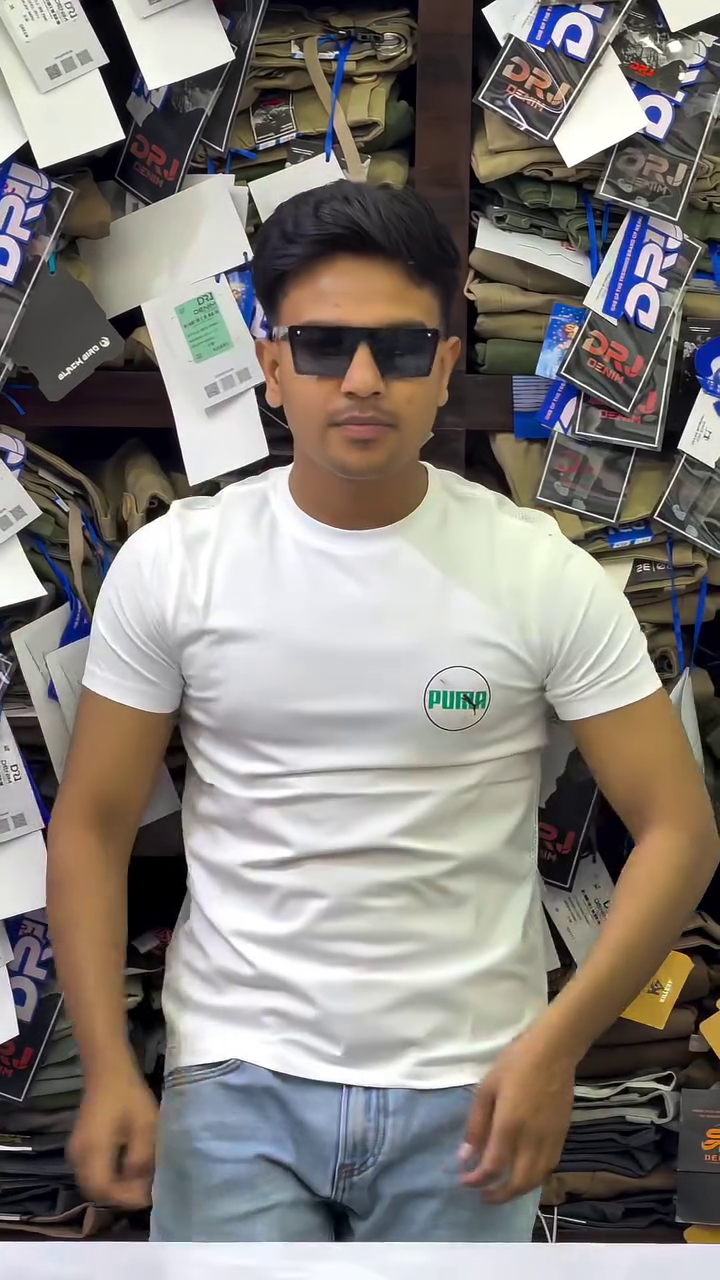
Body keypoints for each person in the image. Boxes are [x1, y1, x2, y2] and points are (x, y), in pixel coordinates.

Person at [47, 181, 719, 1243]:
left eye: (401, 348)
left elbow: (680, 829)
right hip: (235, 1080)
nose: (361, 379)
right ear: (271, 367)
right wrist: (106, 1064)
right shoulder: (175, 565)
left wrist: (558, 1048)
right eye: (323, 345)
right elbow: (91, 825)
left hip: (474, 1088)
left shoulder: (539, 572)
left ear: (445, 366)